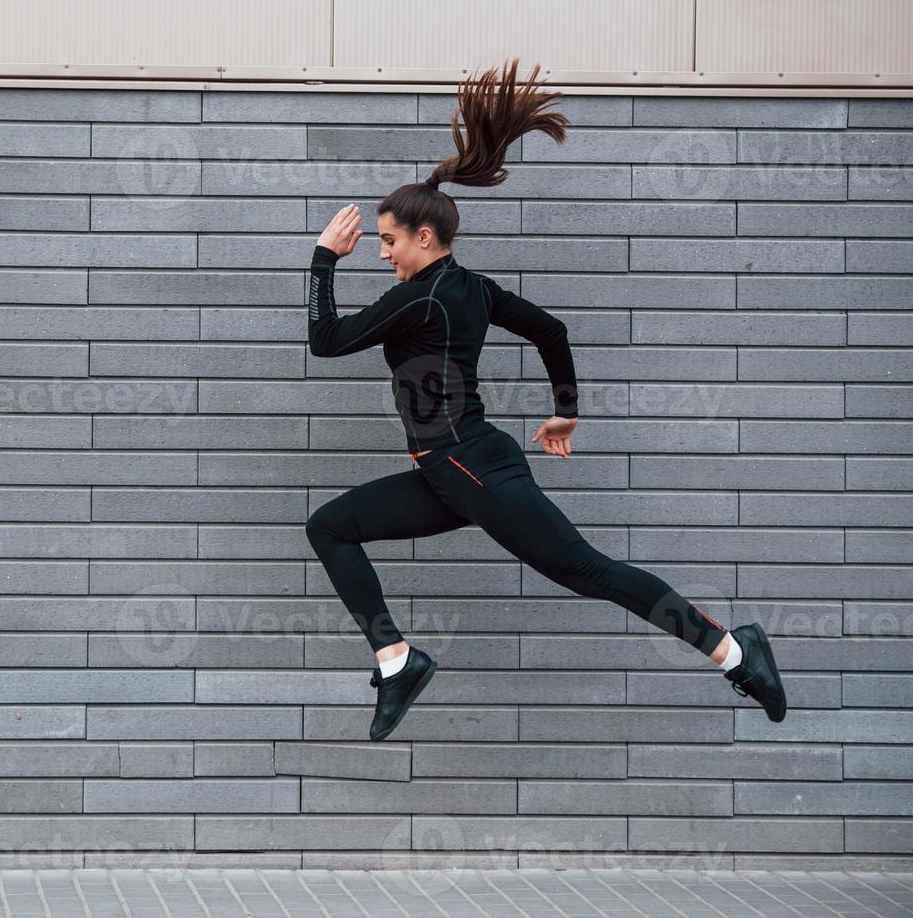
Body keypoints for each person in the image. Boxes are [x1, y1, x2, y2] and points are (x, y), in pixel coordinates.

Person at [304, 58, 787, 742]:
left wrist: (324, 258)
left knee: (589, 571)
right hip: (454, 471)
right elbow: (548, 330)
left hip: (467, 465)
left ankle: (736, 652)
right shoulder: (471, 288)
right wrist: (564, 408)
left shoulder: (420, 298)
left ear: (424, 236)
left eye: (387, 241)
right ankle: (396, 659)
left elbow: (326, 339)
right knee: (330, 525)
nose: (381, 254)